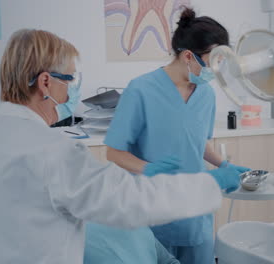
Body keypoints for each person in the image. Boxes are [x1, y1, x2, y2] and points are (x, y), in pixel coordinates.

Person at [0, 29, 242, 264]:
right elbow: (127, 201)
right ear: (46, 82)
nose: (73, 90)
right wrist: (209, 183)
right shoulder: (50, 151)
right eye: (70, 79)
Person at [98, 8, 251, 264]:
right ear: (188, 56)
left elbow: (197, 142)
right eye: (214, 61)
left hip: (196, 212)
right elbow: (114, 152)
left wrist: (223, 165)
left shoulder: (206, 94)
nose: (217, 69)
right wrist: (150, 169)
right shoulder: (141, 90)